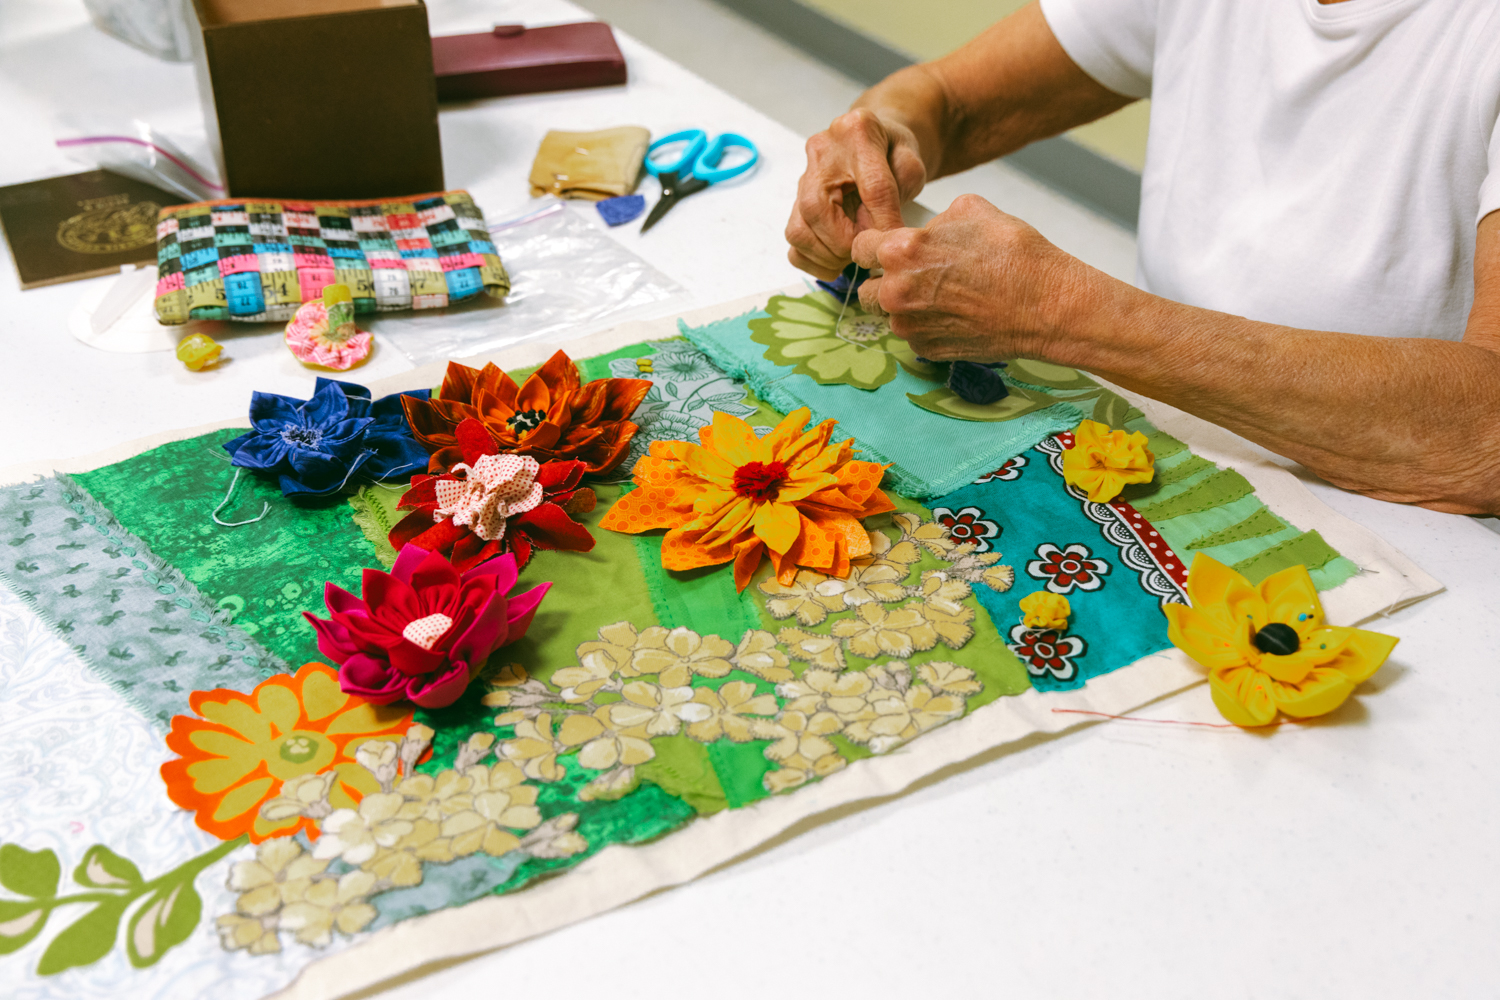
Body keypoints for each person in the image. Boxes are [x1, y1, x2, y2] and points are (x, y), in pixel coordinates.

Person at [784, 0, 1500, 516]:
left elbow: (1486, 431)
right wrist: (882, 134)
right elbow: (948, 100)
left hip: (1401, 511)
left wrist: (1060, 314)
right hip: (1174, 433)